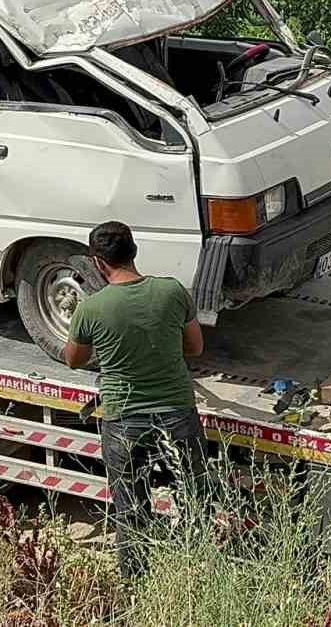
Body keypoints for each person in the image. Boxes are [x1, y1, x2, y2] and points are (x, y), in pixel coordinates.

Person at [64, 220, 206, 577]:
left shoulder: (92, 308)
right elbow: (195, 347)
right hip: (177, 412)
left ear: (97, 263)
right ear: (135, 251)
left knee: (131, 510)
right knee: (196, 497)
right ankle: (199, 572)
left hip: (123, 418)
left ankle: (136, 581)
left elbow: (73, 359)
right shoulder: (172, 291)